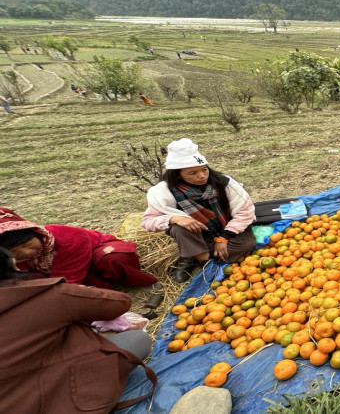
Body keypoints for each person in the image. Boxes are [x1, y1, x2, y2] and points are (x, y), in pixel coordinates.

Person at [0, 268, 156, 413]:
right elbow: (120, 303)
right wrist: (81, 292)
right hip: (74, 399)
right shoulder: (46, 295)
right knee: (137, 339)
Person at [141, 138, 256, 283]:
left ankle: (192, 254)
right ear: (178, 174)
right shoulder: (164, 192)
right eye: (192, 173)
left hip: (227, 227)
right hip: (198, 234)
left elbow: (245, 211)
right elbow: (148, 222)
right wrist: (174, 218)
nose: (202, 176)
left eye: (204, 169)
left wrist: (224, 237)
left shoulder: (224, 183)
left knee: (246, 245)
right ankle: (198, 257)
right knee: (178, 228)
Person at [0, 207, 158, 289]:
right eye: (14, 253)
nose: (27, 252)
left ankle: (137, 281)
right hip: (62, 273)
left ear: (35, 232)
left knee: (113, 258)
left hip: (93, 253)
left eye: (27, 244)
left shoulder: (67, 238)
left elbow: (68, 281)